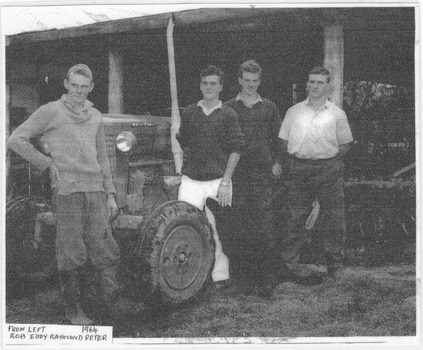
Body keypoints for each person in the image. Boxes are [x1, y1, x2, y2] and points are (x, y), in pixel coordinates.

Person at [7, 64, 143, 325]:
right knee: (71, 251)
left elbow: (102, 156)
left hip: (95, 191)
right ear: (66, 85)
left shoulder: (94, 115)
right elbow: (15, 140)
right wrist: (47, 164)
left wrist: (111, 193)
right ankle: (73, 310)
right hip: (68, 192)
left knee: (103, 245)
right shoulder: (50, 111)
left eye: (84, 87)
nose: (79, 91)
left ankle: (108, 301)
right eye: (74, 86)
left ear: (91, 87)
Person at [277, 66, 353, 282]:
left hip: (329, 169)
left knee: (334, 216)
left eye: (320, 82)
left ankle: (335, 264)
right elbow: (283, 141)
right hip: (299, 170)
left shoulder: (337, 114)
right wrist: (300, 159)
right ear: (307, 84)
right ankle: (288, 264)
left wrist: (326, 159)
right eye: (311, 82)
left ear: (328, 86)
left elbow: (345, 144)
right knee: (296, 216)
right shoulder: (294, 112)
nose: (315, 86)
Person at [176, 65, 244, 290]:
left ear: (221, 87)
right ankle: (192, 277)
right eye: (205, 83)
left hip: (218, 182)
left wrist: (225, 182)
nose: (208, 87)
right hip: (191, 182)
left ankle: (220, 276)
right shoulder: (189, 112)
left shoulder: (228, 114)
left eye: (213, 84)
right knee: (189, 228)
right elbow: (184, 142)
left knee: (219, 230)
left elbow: (235, 150)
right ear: (200, 85)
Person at [224, 60, 283, 296]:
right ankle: (241, 280)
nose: (250, 85)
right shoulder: (228, 107)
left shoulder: (269, 107)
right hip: (236, 175)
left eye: (254, 81)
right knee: (237, 225)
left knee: (264, 226)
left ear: (260, 81)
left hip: (261, 174)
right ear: (239, 80)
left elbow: (280, 139)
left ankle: (266, 279)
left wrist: (278, 162)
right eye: (246, 80)